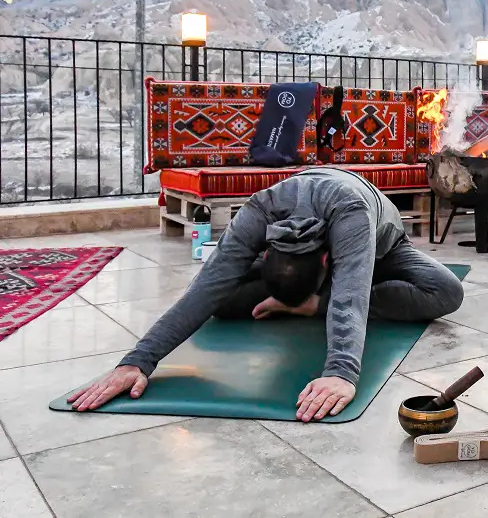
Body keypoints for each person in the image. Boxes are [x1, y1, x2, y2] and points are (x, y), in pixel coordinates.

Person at [68, 167, 465, 422]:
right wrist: (137, 361)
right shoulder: (258, 211)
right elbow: (205, 288)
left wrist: (340, 372)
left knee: (446, 291)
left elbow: (351, 295)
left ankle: (310, 304)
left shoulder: (350, 214)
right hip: (315, 259)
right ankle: (298, 299)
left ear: (327, 260)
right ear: (265, 250)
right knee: (219, 298)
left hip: (382, 248)